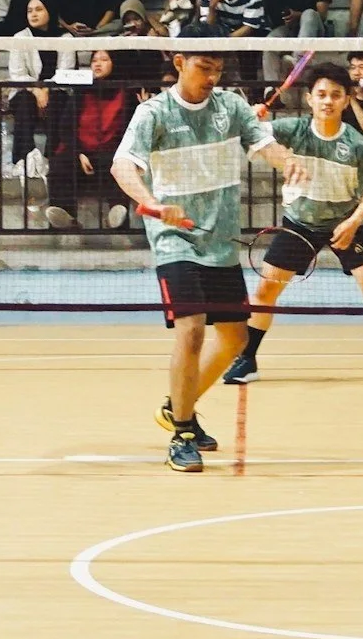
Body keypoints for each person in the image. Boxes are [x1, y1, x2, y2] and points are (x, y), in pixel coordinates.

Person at [109, 45, 306, 473]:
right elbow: (123, 166)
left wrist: (287, 160)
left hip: (219, 240)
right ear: (179, 63)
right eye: (203, 67)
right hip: (173, 239)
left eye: (217, 69)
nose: (211, 76)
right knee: (193, 328)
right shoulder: (154, 114)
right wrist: (153, 205)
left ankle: (177, 405)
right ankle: (182, 432)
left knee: (236, 340)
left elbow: (264, 143)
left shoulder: (230, 106)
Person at [223, 62, 363, 389]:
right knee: (266, 290)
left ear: (346, 99)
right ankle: (248, 358)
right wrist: (252, 119)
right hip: (299, 223)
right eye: (321, 94)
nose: (328, 101)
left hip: (345, 223)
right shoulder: (292, 130)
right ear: (309, 98)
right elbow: (249, 136)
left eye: (335, 95)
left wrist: (354, 223)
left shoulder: (356, 144)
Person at [45, 46, 141, 229]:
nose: (98, 64)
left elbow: (132, 130)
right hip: (81, 150)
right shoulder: (81, 91)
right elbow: (66, 126)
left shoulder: (126, 93)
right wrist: (79, 152)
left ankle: (117, 214)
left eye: (104, 59)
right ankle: (66, 216)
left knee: (121, 164)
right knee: (60, 163)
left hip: (112, 150)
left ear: (114, 63)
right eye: (94, 60)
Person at [3, 0, 69, 176]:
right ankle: (23, 160)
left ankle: (52, 158)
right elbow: (17, 74)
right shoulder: (20, 37)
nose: (33, 14)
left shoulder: (65, 38)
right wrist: (37, 91)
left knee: (58, 100)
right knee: (24, 101)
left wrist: (46, 90)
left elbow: (65, 71)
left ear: (50, 11)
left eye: (39, 9)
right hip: (26, 91)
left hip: (55, 91)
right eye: (30, 10)